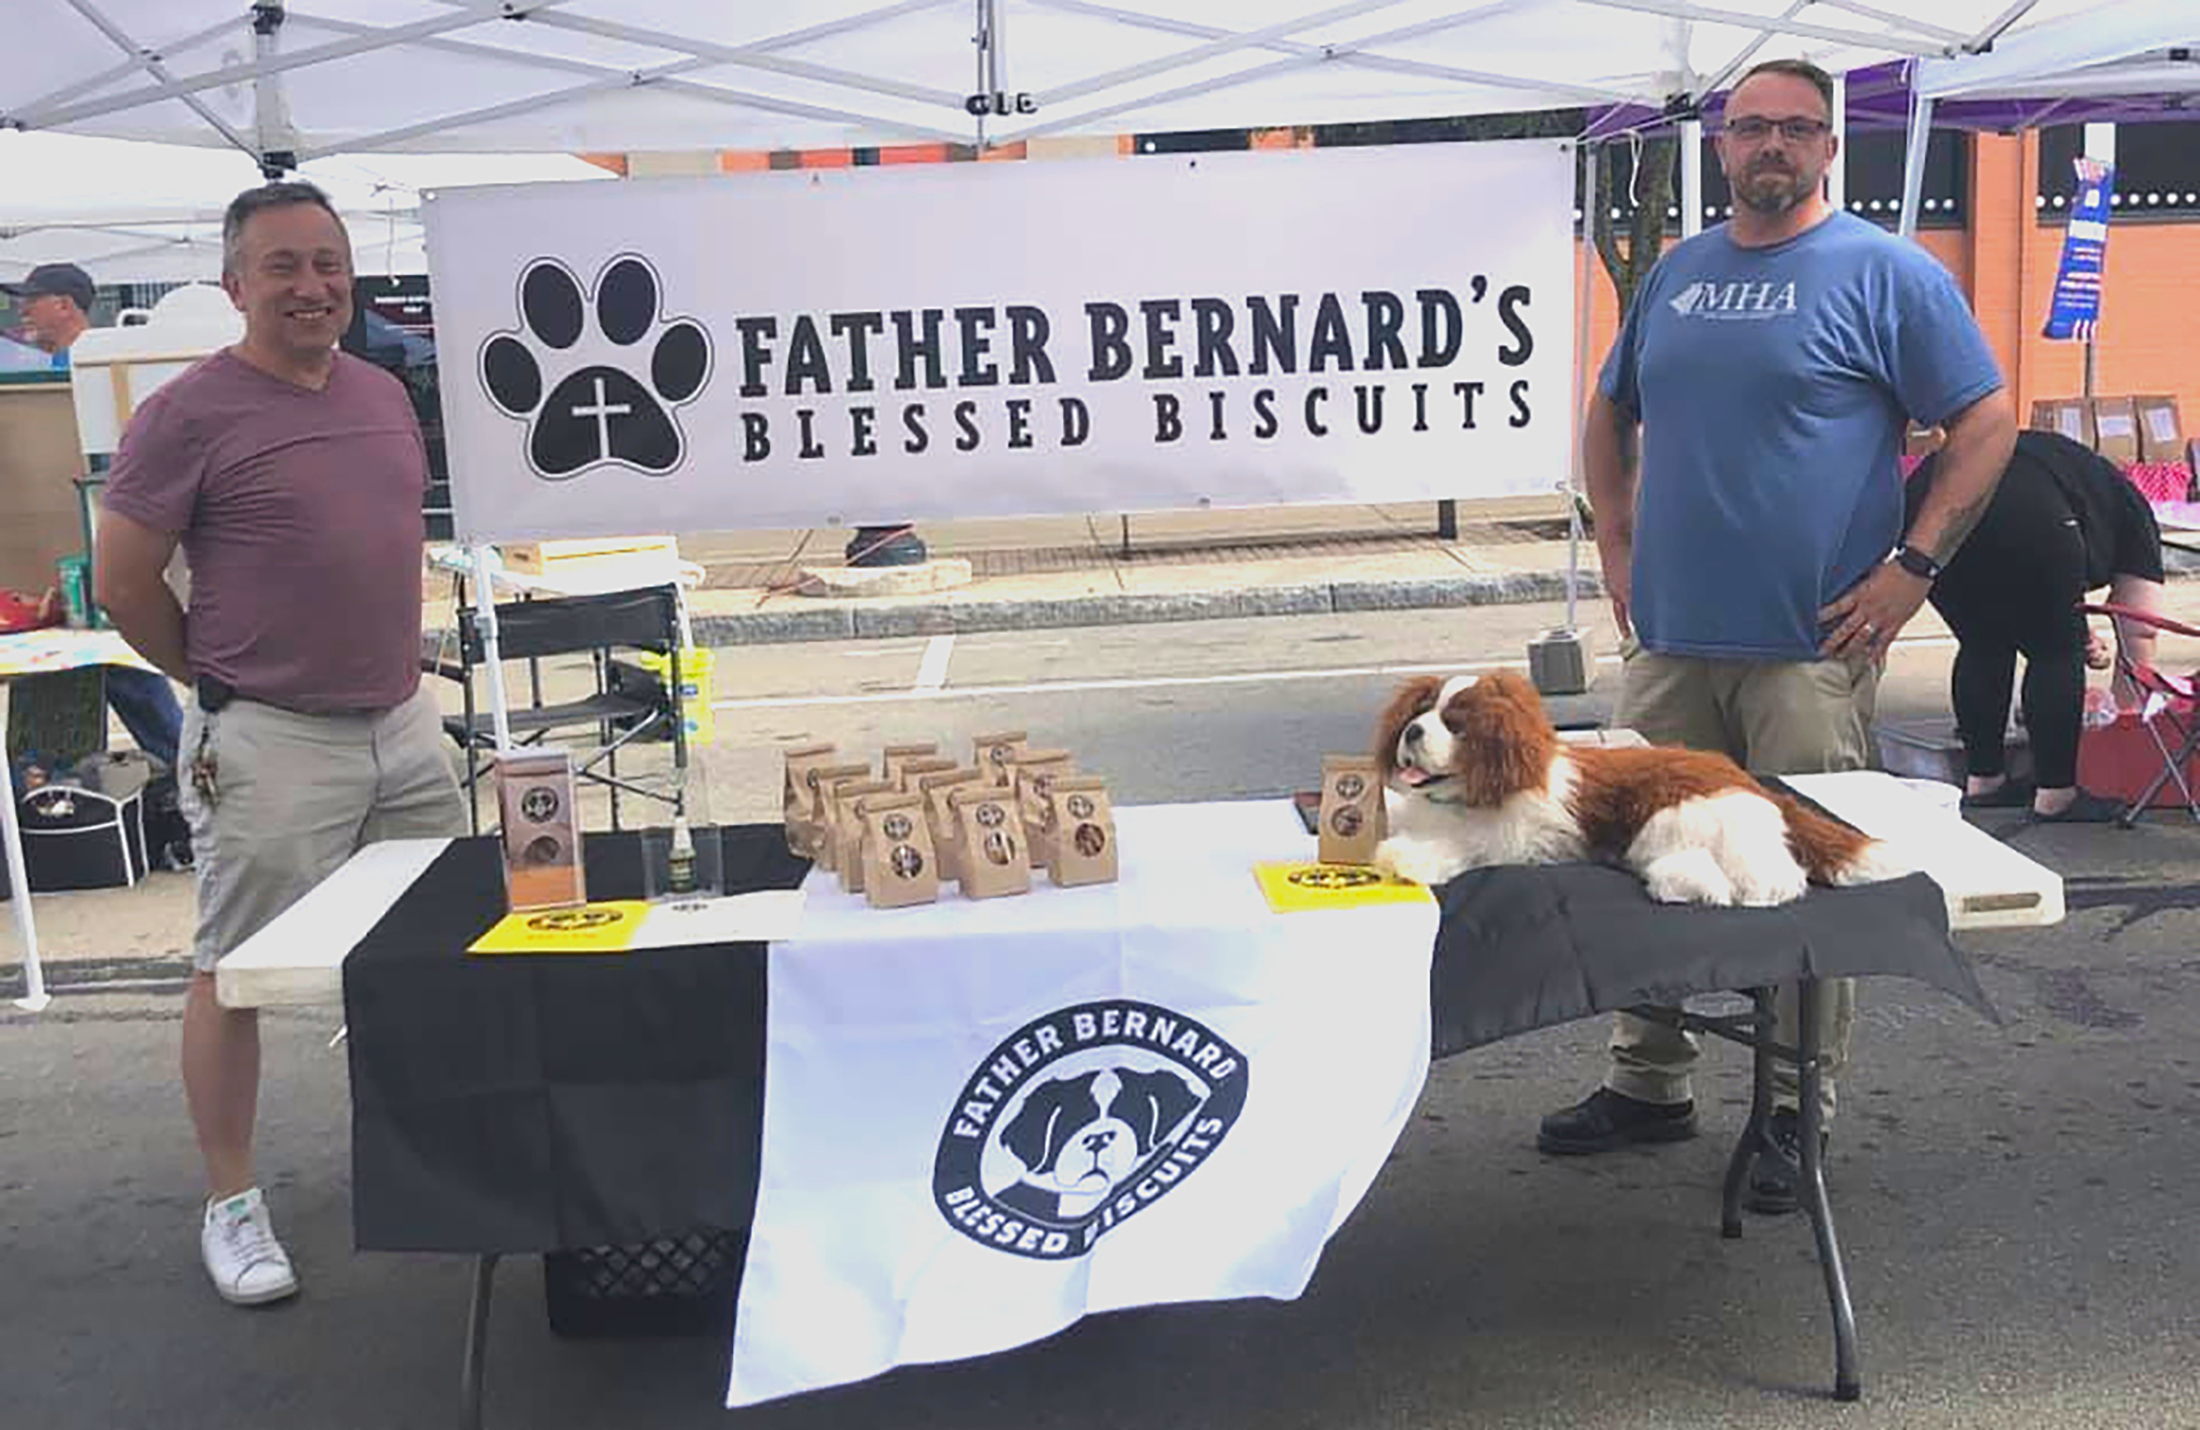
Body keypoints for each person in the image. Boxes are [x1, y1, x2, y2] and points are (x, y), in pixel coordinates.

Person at [1547, 57, 2018, 1214]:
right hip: (1671, 642)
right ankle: (1648, 1078)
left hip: (1806, 648)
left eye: (1794, 130)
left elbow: (1988, 418)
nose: (1770, 146)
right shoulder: (1677, 275)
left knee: (1802, 882)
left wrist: (1913, 567)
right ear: (1719, 145)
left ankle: (1795, 1106)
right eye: (1749, 127)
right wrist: (1613, 536)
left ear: (1826, 148)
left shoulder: (1883, 272)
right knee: (1642, 869)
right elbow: (1611, 406)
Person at [94, 182, 466, 1306]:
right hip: (268, 735)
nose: (311, 287)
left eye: (327, 264)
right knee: (239, 974)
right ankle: (234, 1203)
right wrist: (214, 684)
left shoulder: (381, 390)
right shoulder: (188, 412)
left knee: (433, 952)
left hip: (401, 722)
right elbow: (122, 581)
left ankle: (434, 1160)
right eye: (282, 268)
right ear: (233, 286)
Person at [1906, 428, 2167, 822]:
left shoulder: (2081, 479)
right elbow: (2140, 628)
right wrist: (2124, 719)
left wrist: (2079, 630)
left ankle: (1985, 781)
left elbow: (2037, 598)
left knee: (1982, 642)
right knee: (2054, 652)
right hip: (2024, 504)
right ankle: (2056, 794)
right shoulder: (2136, 517)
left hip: (1927, 498)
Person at [0, 261, 187, 771]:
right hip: (61, 575)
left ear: (65, 304)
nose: (23, 310)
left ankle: (183, 777)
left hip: (100, 562)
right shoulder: (47, 376)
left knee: (130, 676)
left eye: (32, 300)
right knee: (113, 685)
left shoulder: (102, 373)